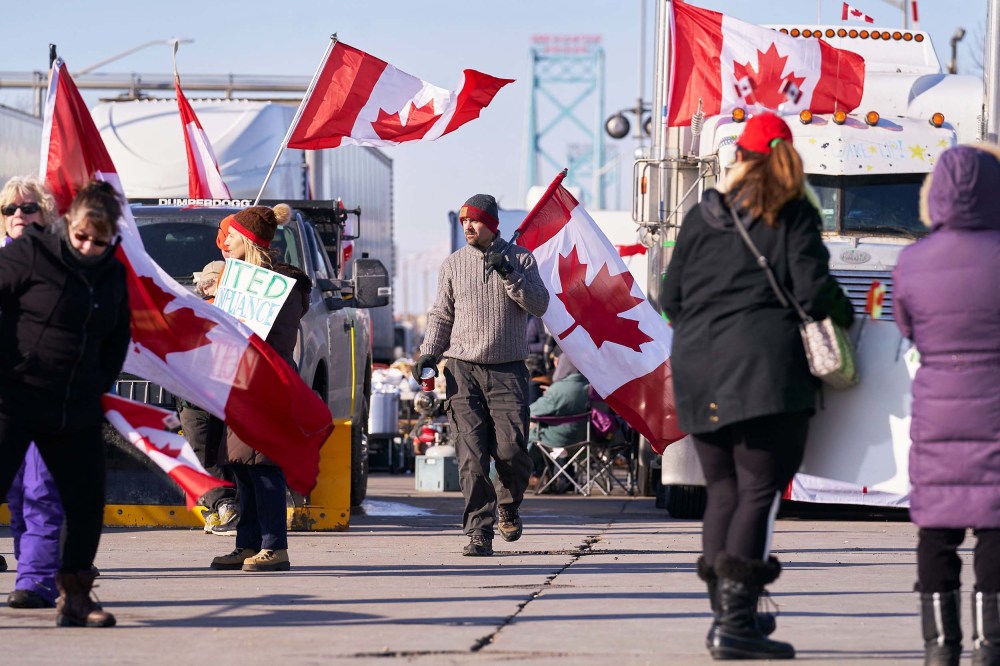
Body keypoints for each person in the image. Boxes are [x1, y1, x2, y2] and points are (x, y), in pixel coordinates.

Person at [661, 112, 853, 661]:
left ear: (738, 158)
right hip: (764, 370)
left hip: (697, 368)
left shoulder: (702, 216)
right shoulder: (791, 211)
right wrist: (850, 317)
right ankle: (735, 624)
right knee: (757, 491)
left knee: (721, 490)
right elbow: (814, 292)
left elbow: (671, 299)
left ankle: (728, 616)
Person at [0, 180, 131, 627]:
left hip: (73, 406)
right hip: (15, 397)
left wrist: (97, 382)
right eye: (81, 237)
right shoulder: (31, 253)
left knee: (85, 501)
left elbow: (117, 337)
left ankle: (74, 596)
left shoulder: (112, 273)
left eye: (99, 241)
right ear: (68, 225)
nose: (89, 247)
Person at [893, 144, 1000, 666]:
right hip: (996, 407)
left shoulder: (912, 261)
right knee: (996, 528)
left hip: (938, 409)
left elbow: (907, 326)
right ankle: (992, 645)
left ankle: (940, 647)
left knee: (936, 532)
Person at [414, 193, 549, 556]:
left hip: (508, 371)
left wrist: (509, 273)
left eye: (474, 221)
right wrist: (429, 352)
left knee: (511, 451)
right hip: (462, 370)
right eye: (463, 222)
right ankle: (479, 531)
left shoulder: (520, 258)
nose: (468, 227)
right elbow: (442, 315)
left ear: (492, 224)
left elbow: (539, 304)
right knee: (471, 457)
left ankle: (508, 504)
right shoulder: (453, 264)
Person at [209, 204, 311, 573]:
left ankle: (274, 546)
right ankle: (247, 542)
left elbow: (274, 338)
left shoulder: (281, 284)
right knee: (242, 466)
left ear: (250, 240)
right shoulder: (233, 279)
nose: (224, 242)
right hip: (237, 382)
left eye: (232, 235)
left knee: (264, 465)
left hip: (266, 383)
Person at [0, 176, 63, 608]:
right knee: (16, 493)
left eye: (28, 207)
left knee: (41, 490)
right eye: (10, 209)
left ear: (46, 214)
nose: (19, 214)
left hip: (50, 397)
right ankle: (34, 571)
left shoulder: (68, 265)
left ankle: (35, 580)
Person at [181, 214, 239, 536]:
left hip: (232, 387)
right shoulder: (193, 308)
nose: (203, 285)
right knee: (203, 447)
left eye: (209, 281)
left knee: (227, 452)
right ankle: (221, 507)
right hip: (197, 392)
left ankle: (227, 506)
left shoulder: (247, 300)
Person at [527, 351, 589, 493]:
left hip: (558, 438)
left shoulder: (559, 390)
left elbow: (531, 411)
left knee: (531, 435)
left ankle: (506, 475)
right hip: (585, 438)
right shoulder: (590, 386)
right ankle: (549, 479)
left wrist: (549, 395)